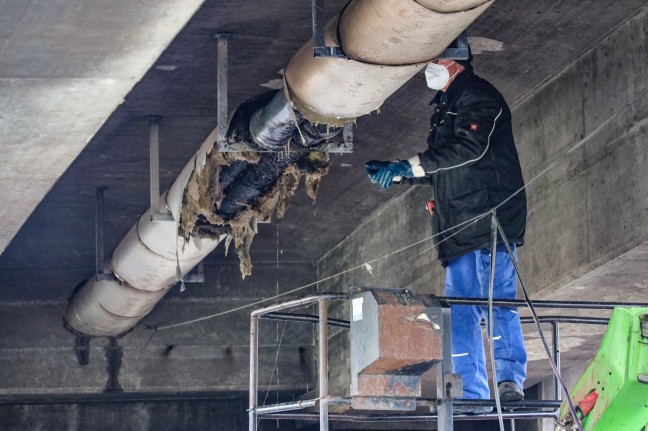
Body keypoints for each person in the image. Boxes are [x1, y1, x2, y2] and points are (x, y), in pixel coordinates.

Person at [365, 49, 527, 413]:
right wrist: (401, 171)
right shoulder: (448, 105)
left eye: (432, 63)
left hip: (487, 223)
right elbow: (447, 168)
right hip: (458, 231)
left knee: (496, 304)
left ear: (454, 62)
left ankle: (508, 381)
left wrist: (408, 165)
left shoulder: (478, 97)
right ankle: (471, 394)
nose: (427, 70)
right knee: (460, 314)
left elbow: (470, 148)